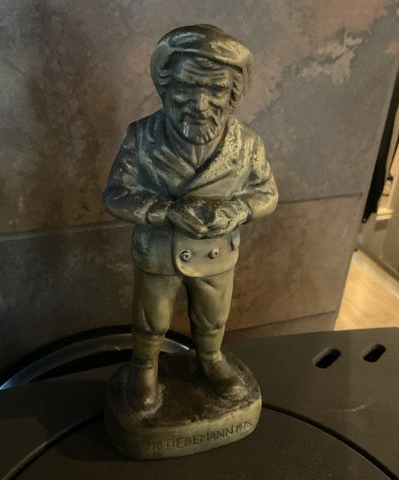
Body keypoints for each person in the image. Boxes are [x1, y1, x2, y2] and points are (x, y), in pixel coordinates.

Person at [104, 24, 278, 412]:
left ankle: (211, 358)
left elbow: (267, 193)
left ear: (233, 94)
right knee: (150, 319)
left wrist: (236, 210)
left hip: (217, 253)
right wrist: (167, 212)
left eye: (215, 89)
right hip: (159, 251)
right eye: (186, 86)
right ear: (165, 87)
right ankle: (144, 366)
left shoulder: (247, 145)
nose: (199, 104)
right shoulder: (142, 137)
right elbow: (116, 194)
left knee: (213, 318)